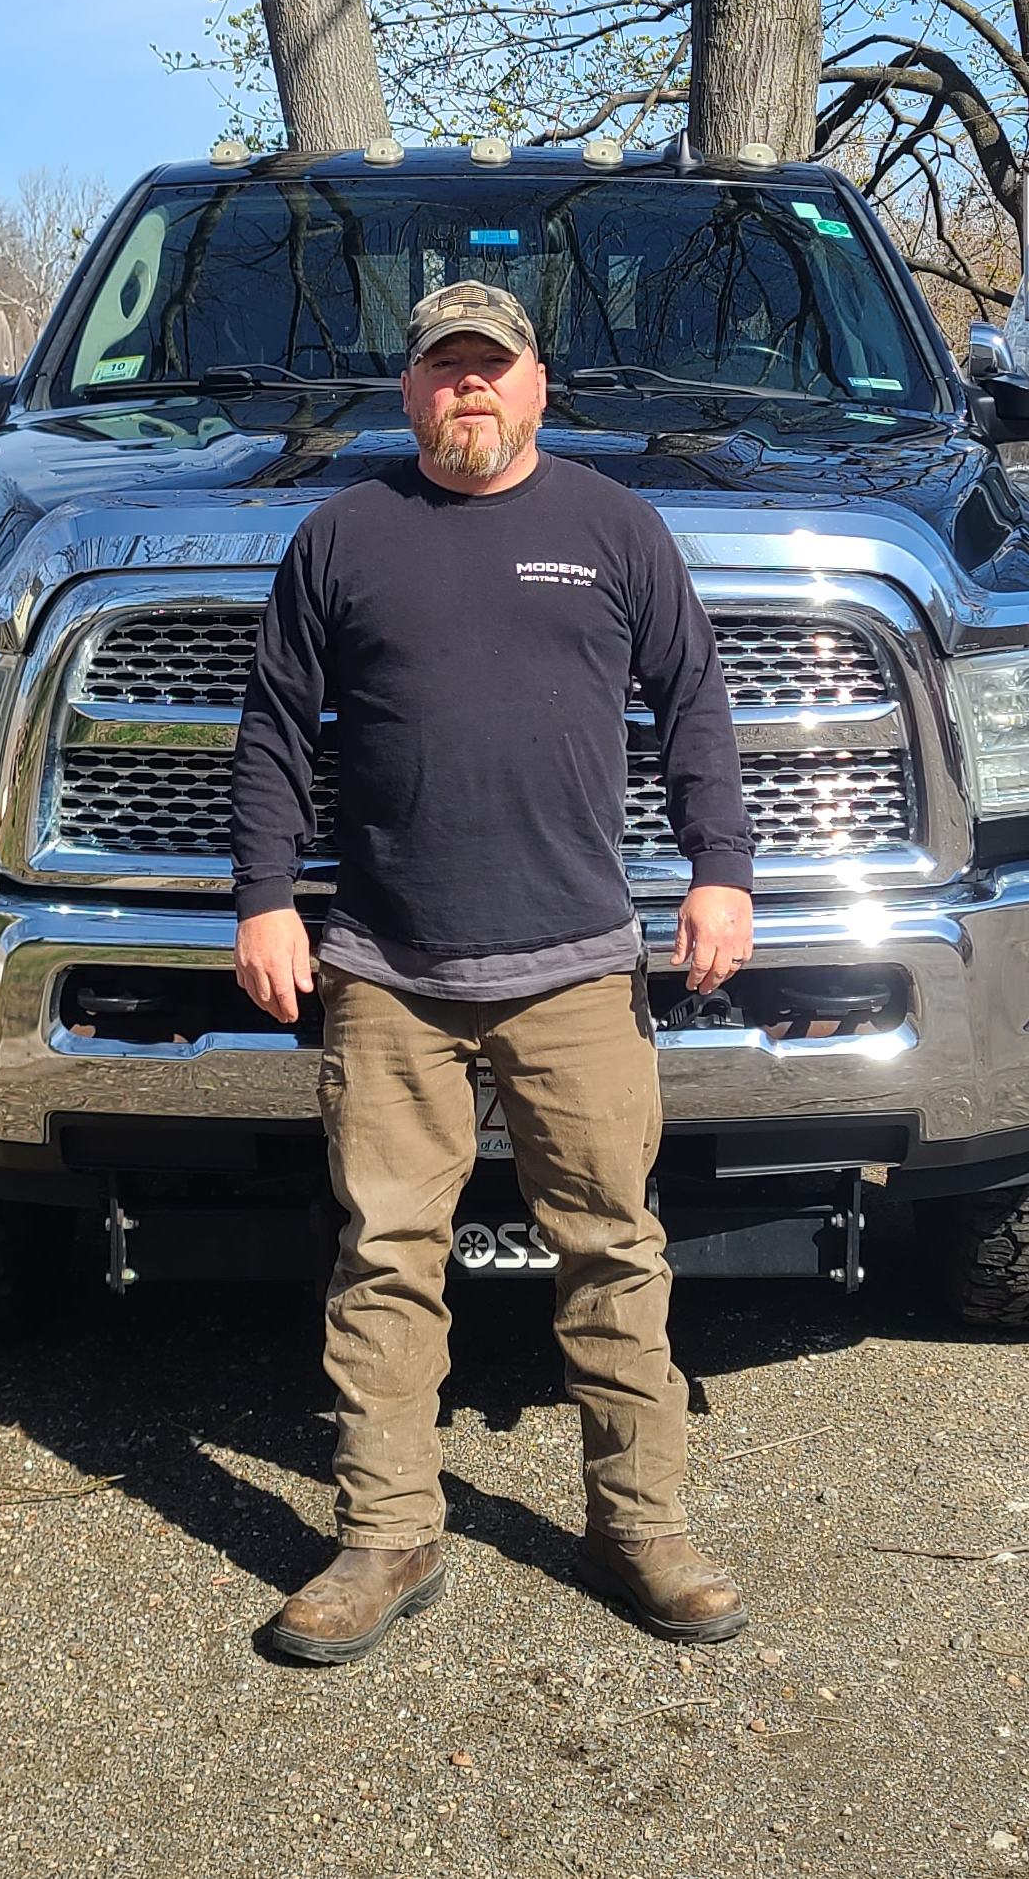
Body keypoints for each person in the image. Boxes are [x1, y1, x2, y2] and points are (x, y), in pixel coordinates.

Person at [231, 279, 755, 1664]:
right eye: (443, 369)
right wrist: (265, 902)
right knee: (386, 1256)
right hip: (388, 966)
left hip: (578, 965)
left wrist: (720, 871)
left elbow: (693, 703)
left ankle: (638, 1525)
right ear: (407, 391)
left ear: (537, 385)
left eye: (491, 368)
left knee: (612, 1249)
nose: (468, 388)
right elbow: (275, 731)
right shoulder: (344, 536)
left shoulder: (611, 528)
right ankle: (384, 1536)